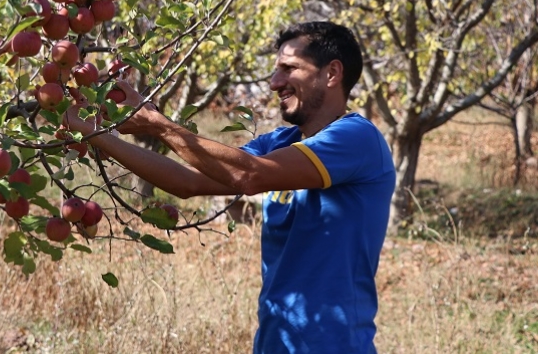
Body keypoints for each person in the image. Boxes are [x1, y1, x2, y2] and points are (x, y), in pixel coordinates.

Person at [63, 21, 396, 354]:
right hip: (275, 343)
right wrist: (94, 133)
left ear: (332, 73)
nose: (274, 82)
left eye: (289, 68)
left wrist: (157, 124)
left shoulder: (357, 138)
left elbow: (249, 176)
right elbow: (187, 182)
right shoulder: (282, 142)